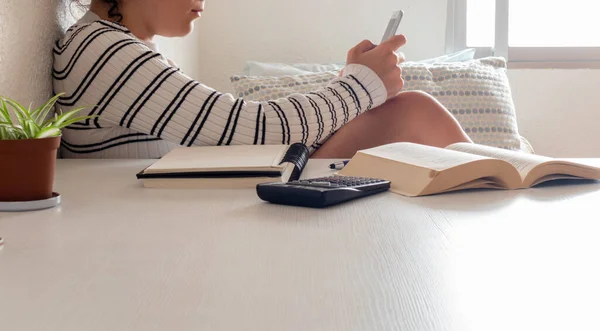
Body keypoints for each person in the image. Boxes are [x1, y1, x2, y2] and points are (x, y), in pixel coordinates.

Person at [54, 0, 472, 159]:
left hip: (216, 192)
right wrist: (359, 88)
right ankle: (516, 181)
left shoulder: (119, 48)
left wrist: (355, 87)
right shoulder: (101, 49)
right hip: (214, 203)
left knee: (411, 112)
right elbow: (251, 128)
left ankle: (513, 178)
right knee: (413, 112)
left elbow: (223, 126)